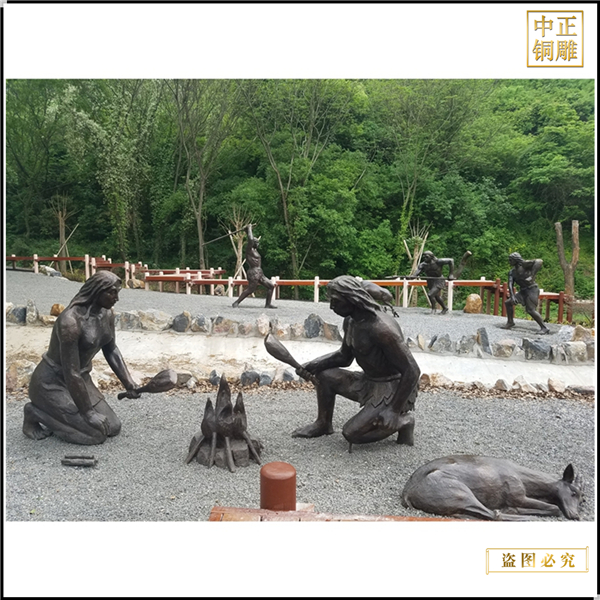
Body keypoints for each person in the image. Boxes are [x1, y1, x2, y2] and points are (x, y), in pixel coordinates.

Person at [293, 275, 420, 447]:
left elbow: (412, 370)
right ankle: (323, 424)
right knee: (324, 375)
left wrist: (393, 409)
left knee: (351, 433)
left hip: (391, 387)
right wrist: (314, 365)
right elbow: (344, 357)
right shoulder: (351, 321)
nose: (331, 306)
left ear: (352, 299)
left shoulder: (381, 329)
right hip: (369, 380)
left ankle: (404, 421)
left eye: (336, 301)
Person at [23, 271, 140, 445]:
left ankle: (67, 415)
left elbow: (111, 349)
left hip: (81, 379)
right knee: (95, 435)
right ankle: (34, 412)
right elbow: (71, 372)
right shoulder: (70, 322)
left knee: (112, 427)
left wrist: (128, 382)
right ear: (96, 291)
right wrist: (88, 413)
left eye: (117, 292)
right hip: (51, 383)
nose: (116, 298)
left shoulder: (107, 314)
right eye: (112, 293)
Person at [502, 252, 550, 334]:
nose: (509, 261)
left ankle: (544, 328)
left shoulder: (525, 265)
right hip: (523, 291)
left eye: (511, 260)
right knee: (508, 302)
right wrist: (512, 296)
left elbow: (539, 261)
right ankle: (510, 322)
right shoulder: (512, 272)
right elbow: (510, 284)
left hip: (532, 289)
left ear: (516, 260)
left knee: (530, 310)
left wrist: (532, 276)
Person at [232, 224, 276, 309]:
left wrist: (246, 231)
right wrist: (249, 228)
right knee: (251, 289)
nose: (258, 244)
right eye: (257, 242)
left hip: (259, 272)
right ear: (253, 243)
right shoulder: (249, 250)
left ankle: (268, 304)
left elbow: (251, 239)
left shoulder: (255, 251)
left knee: (271, 286)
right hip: (253, 272)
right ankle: (236, 302)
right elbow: (250, 240)